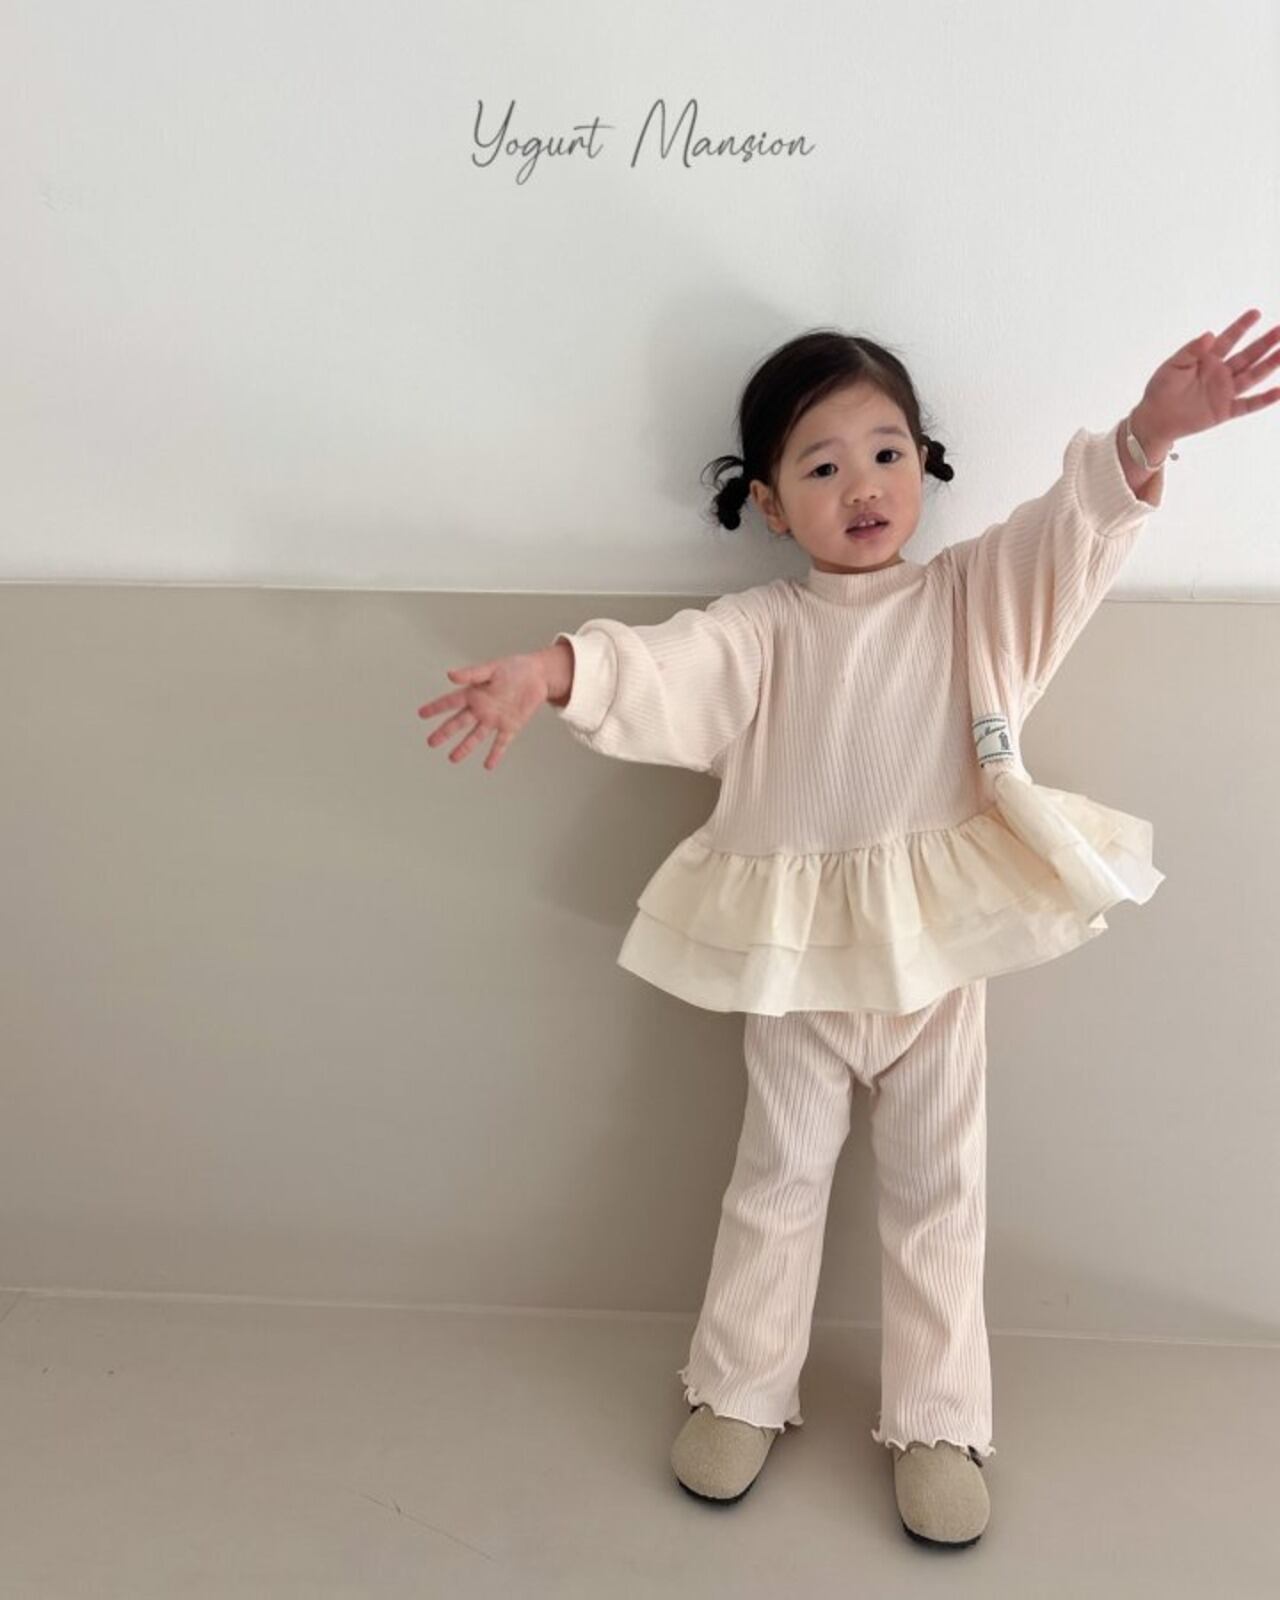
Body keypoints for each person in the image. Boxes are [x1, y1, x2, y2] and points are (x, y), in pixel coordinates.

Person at [417, 312, 1280, 1546]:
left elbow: (1066, 536)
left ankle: (938, 1419)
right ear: (772, 505)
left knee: (940, 1191)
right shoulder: (762, 632)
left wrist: (1148, 432)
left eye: (884, 453)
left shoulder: (971, 598)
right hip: (798, 971)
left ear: (921, 462)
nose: (861, 486)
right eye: (821, 466)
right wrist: (550, 670)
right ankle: (737, 1389)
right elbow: (661, 667)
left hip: (938, 961)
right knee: (774, 1179)